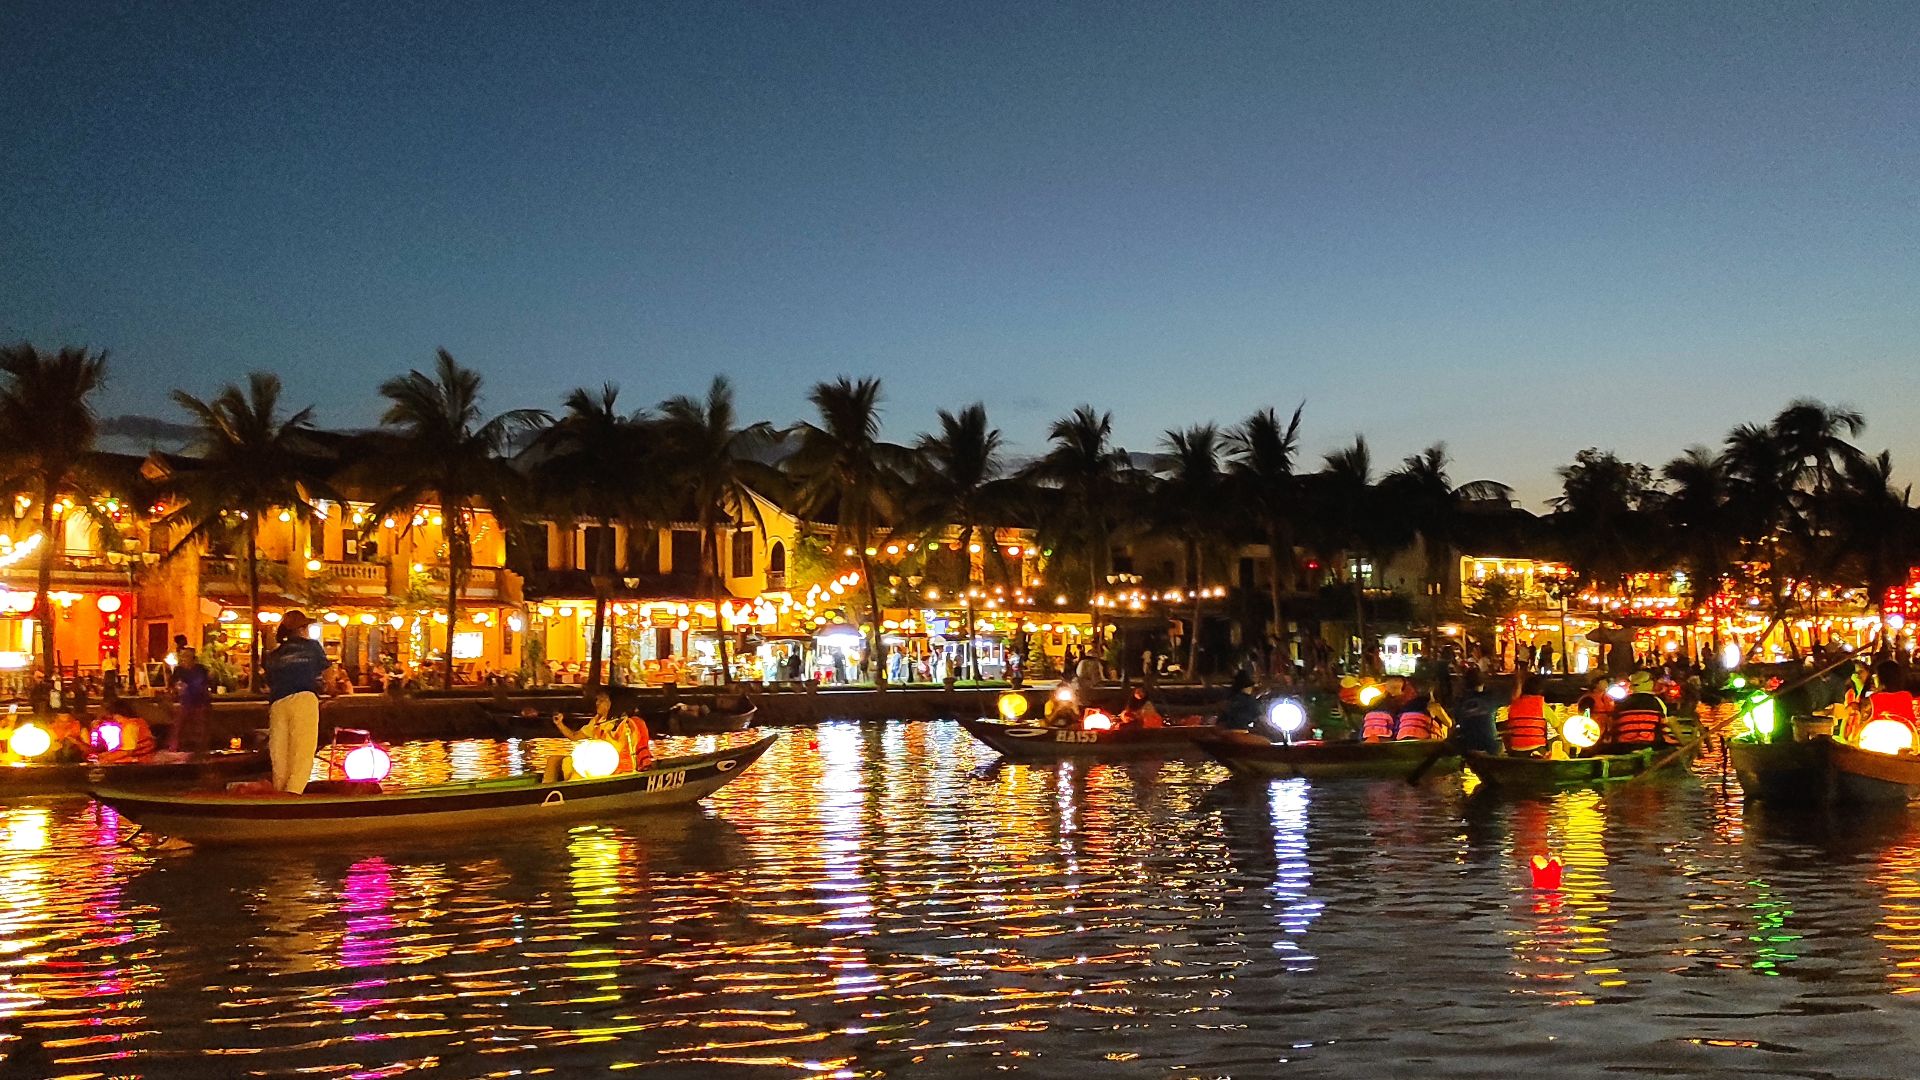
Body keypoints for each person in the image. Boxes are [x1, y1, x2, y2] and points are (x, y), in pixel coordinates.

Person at [263, 611, 331, 794]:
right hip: (303, 699)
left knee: (280, 754)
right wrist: (330, 689)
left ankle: (279, 794)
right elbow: (328, 673)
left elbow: (269, 682)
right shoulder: (311, 647)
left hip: (278, 703)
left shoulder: (275, 654)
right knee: (302, 753)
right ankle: (293, 794)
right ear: (302, 629)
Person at [553, 691, 652, 773]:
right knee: (554, 761)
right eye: (597, 700)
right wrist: (559, 723)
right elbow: (574, 736)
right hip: (599, 767)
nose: (597, 703)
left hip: (621, 770)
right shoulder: (598, 722)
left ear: (613, 703)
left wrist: (607, 731)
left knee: (568, 765)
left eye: (601, 700)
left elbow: (618, 749)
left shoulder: (629, 723)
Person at [1605, 671, 1669, 752]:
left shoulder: (1621, 704)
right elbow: (1664, 725)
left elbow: (1613, 725)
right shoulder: (1657, 702)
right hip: (1649, 744)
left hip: (1623, 746)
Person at [168, 646, 215, 753]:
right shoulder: (179, 670)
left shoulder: (200, 669)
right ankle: (175, 746)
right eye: (182, 656)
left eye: (186, 656)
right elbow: (172, 684)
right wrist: (177, 687)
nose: (183, 659)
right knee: (179, 725)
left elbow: (206, 683)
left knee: (201, 726)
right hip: (186, 701)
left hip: (201, 701)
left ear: (193, 658)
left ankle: (201, 748)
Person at [1451, 668, 1502, 755]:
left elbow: (1458, 720)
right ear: (1483, 682)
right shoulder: (1490, 699)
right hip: (1490, 747)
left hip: (1469, 746)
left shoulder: (1461, 701)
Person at [1502, 674, 1550, 756]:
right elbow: (1557, 724)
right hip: (1537, 747)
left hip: (1516, 749)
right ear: (1540, 690)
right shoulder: (1541, 704)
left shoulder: (1513, 704)